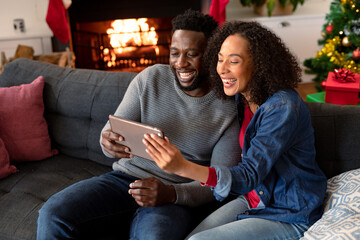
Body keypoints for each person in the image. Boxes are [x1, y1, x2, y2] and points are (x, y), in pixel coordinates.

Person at [36, 10, 242, 240]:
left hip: (173, 196)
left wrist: (172, 194)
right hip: (125, 180)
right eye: (174, 53)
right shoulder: (150, 78)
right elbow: (112, 130)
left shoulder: (229, 108)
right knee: (52, 213)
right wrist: (108, 140)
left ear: (213, 54)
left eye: (191, 54)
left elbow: (219, 183)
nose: (180, 63)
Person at [143, 20, 328, 240]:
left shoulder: (282, 108)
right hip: (253, 198)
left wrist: (183, 167)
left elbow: (249, 174)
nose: (222, 68)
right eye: (220, 59)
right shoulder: (242, 97)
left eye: (234, 61)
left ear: (259, 64)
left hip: (290, 212)